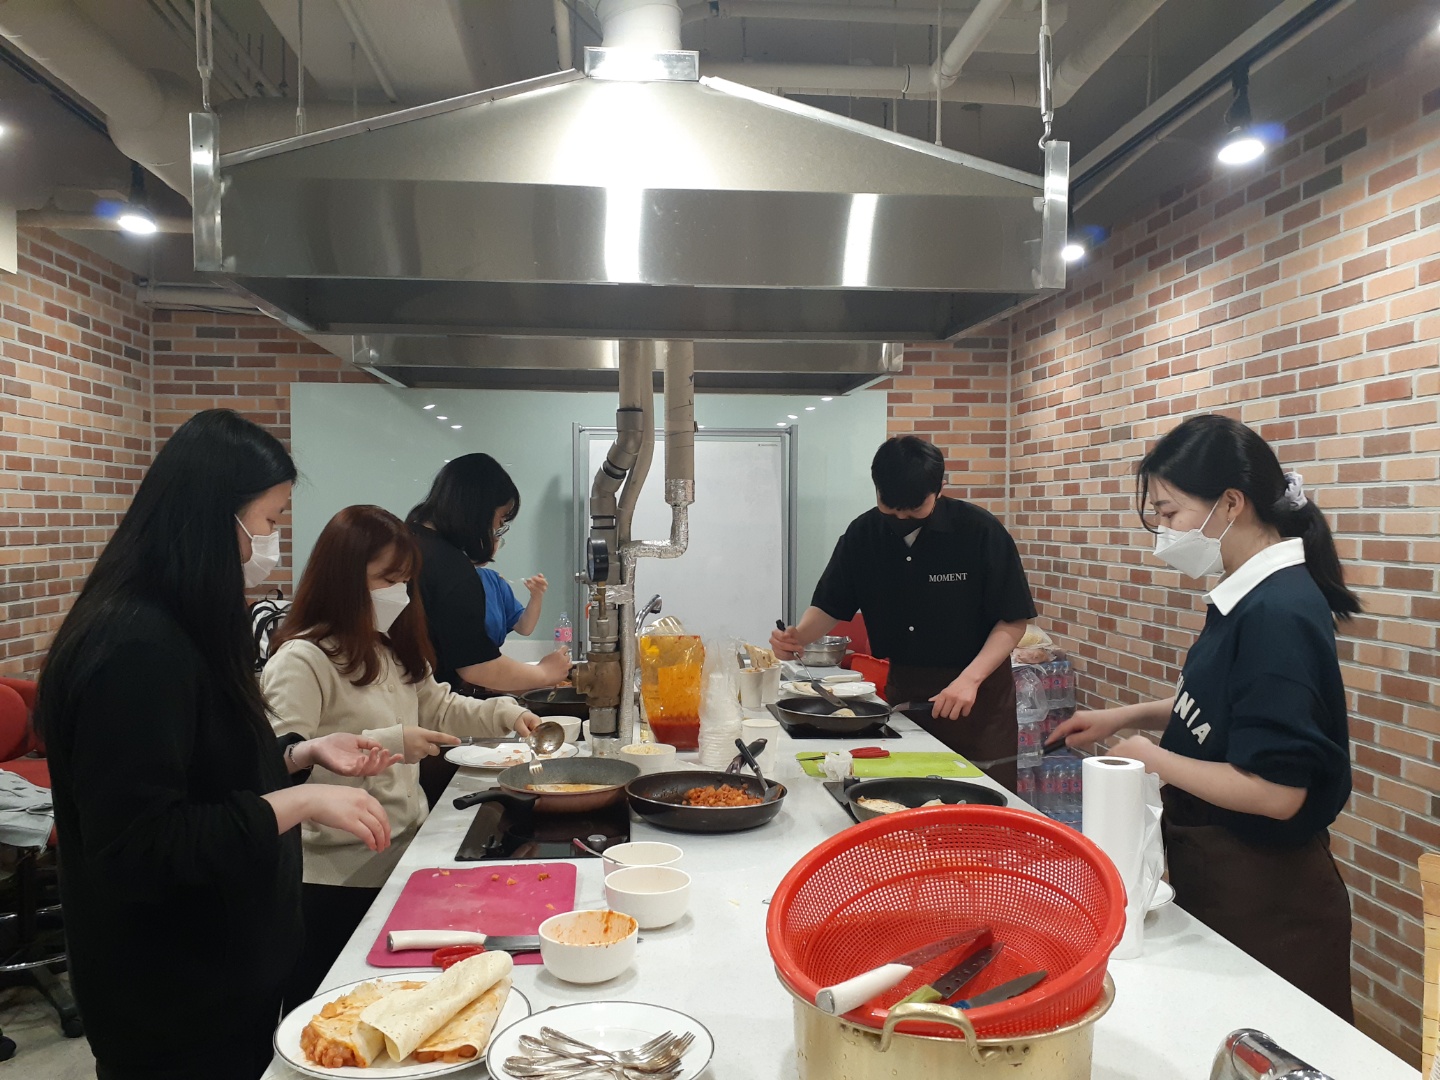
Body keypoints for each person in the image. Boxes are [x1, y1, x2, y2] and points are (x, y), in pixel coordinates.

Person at [36, 410, 400, 1080]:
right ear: (213, 518)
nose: (271, 540)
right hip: (173, 998)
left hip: (228, 974)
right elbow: (141, 845)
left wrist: (300, 755)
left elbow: (202, 768)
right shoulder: (134, 647)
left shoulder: (184, 625)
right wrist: (299, 804)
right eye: (268, 519)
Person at [1050, 414, 1358, 1020]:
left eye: (1169, 514)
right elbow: (1226, 707)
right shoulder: (1244, 592)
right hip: (1221, 871)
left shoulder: (1279, 612)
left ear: (1231, 503)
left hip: (1268, 897)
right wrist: (1125, 717)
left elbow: (1278, 793)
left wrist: (1152, 757)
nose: (1164, 533)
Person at [262, 505, 541, 1009]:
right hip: (333, 876)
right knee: (334, 1008)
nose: (399, 594)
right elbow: (278, 763)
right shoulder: (302, 659)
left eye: (405, 581)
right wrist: (393, 741)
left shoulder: (389, 647)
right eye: (387, 580)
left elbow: (442, 706)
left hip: (403, 853)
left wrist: (506, 711)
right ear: (343, 578)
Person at [771, 436, 1035, 790]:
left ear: (940, 488)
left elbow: (1013, 619)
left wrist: (970, 680)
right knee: (902, 791)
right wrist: (797, 637)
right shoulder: (863, 534)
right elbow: (831, 605)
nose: (900, 518)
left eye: (913, 510)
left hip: (977, 696)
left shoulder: (979, 531)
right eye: (890, 508)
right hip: (905, 689)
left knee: (980, 797)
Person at [404, 454, 570, 694]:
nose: (496, 529)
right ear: (478, 511)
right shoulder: (451, 568)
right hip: (423, 702)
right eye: (500, 519)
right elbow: (477, 667)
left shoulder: (406, 541)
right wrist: (544, 672)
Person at [477, 565, 548, 647]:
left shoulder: (492, 579)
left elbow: (524, 628)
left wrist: (536, 596)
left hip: (492, 653)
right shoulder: (465, 582)